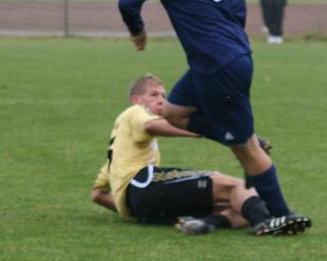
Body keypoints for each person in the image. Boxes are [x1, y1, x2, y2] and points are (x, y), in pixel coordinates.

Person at [118, 0, 327, 232]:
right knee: (174, 112)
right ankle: (242, 137)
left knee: (246, 149)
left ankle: (281, 214)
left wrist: (137, 30)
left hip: (216, 63)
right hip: (228, 58)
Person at [91, 74, 289, 235]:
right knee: (237, 186)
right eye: (154, 95)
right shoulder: (134, 112)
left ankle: (204, 223)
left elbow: (97, 194)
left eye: (163, 96)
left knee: (242, 204)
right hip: (144, 183)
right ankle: (266, 223)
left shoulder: (117, 153)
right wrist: (204, 129)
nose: (161, 101)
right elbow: (152, 125)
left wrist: (130, 208)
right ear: (136, 99)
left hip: (142, 211)